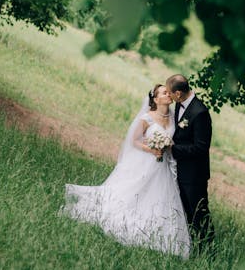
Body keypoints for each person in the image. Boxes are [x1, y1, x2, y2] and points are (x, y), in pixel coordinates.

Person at [61, 84, 190, 258]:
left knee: (160, 196)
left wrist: (168, 147)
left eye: (169, 92)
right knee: (136, 191)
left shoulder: (174, 119)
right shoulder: (147, 118)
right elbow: (134, 140)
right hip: (147, 161)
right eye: (164, 93)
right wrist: (151, 149)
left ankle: (159, 235)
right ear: (156, 99)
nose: (169, 95)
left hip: (164, 165)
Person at [166, 74, 215, 251]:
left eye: (170, 93)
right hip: (179, 169)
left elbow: (201, 148)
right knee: (185, 212)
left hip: (194, 175)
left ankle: (208, 250)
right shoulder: (179, 104)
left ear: (178, 93)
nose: (169, 97)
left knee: (199, 213)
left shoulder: (200, 112)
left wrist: (173, 149)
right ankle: (190, 245)